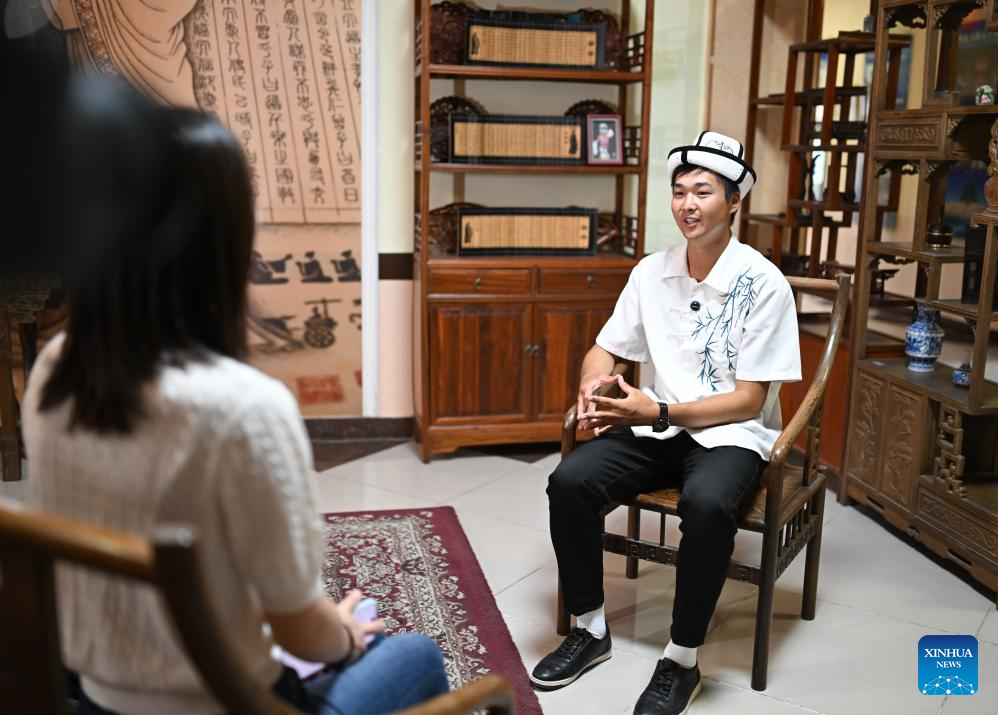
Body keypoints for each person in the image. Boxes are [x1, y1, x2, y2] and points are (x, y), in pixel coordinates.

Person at [23, 82, 449, 715]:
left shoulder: (56, 367)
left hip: (95, 697)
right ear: (220, 243)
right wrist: (343, 639)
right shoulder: (243, 409)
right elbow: (300, 628)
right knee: (411, 652)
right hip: (230, 702)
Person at [530, 131, 801, 715]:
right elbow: (606, 348)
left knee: (706, 504)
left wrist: (654, 411)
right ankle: (590, 629)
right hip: (656, 423)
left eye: (703, 191)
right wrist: (593, 385)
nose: (688, 204)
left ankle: (681, 660)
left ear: (734, 201)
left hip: (729, 434)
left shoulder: (764, 284)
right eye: (679, 192)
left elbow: (748, 401)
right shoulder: (651, 272)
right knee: (569, 482)